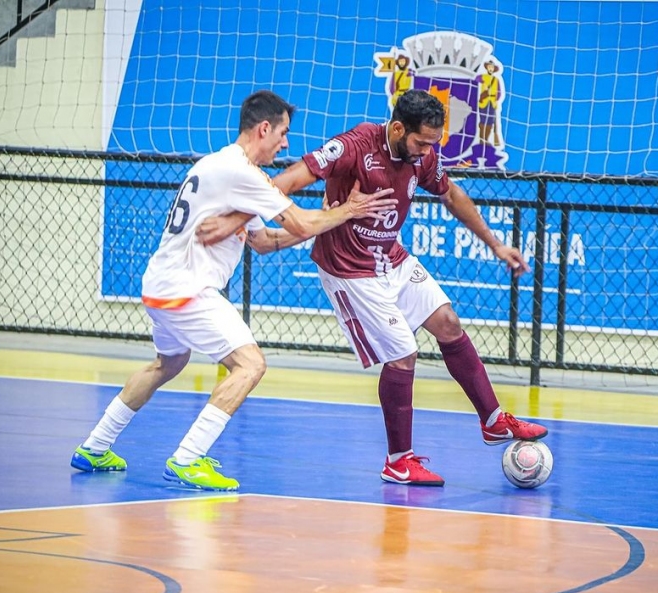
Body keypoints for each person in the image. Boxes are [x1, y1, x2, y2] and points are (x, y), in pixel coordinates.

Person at [199, 89, 547, 487]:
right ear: (398, 127)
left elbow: (451, 194)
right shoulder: (355, 145)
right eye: (420, 142)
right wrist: (234, 220)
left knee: (449, 323)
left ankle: (492, 421)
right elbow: (287, 181)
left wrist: (496, 243)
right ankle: (399, 461)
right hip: (350, 269)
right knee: (403, 355)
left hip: (390, 257)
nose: (425, 153)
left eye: (432, 145)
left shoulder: (424, 154)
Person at [70, 90, 396, 491]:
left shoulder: (217, 165)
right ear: (264, 128)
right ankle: (187, 459)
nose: (286, 143)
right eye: (283, 133)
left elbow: (263, 242)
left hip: (161, 285)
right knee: (250, 364)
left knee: (166, 365)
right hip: (188, 290)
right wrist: (348, 211)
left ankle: (94, 447)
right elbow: (303, 224)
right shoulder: (244, 174)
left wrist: (329, 220)